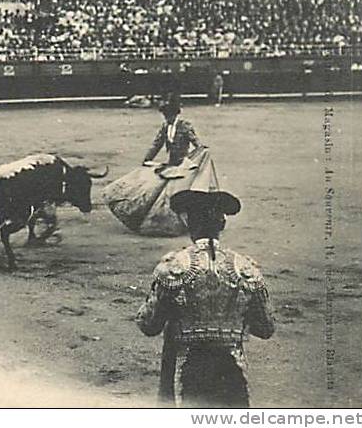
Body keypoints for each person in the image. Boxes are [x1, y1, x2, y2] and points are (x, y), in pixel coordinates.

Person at [136, 190, 275, 407]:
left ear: (189, 223)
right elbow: (266, 328)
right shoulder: (245, 267)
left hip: (184, 364)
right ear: (222, 224)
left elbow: (148, 325)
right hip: (231, 370)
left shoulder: (172, 267)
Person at [102, 94, 216, 236]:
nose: (167, 118)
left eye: (169, 116)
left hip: (184, 166)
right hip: (171, 164)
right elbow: (156, 144)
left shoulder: (185, 126)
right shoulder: (165, 126)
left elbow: (197, 144)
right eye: (165, 116)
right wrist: (147, 160)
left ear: (175, 114)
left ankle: (189, 222)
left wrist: (192, 160)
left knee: (181, 193)